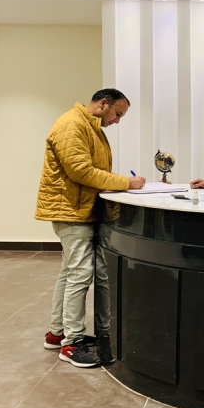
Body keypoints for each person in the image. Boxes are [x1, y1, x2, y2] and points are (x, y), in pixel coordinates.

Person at [35, 89, 146, 368]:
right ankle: (71, 344)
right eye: (117, 114)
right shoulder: (72, 125)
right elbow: (80, 171)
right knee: (80, 274)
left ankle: (57, 333)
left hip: (78, 209)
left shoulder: (89, 126)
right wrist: (125, 182)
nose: (117, 120)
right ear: (103, 104)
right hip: (73, 212)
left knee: (69, 272)